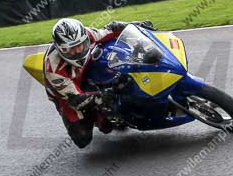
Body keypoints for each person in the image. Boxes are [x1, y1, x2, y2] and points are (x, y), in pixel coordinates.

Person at [44, 18, 154, 149]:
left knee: (110, 58)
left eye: (80, 45)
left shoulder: (88, 34)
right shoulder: (53, 68)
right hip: (67, 95)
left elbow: (112, 28)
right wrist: (102, 96)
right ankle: (99, 118)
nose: (77, 51)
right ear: (59, 49)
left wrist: (138, 26)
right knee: (83, 138)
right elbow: (75, 100)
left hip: (86, 72)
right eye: (70, 49)